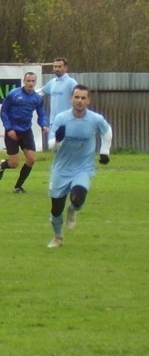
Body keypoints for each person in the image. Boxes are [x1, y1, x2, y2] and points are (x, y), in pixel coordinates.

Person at [46, 85, 112, 248]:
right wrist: (59, 140)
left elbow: (107, 131)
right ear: (71, 99)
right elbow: (50, 146)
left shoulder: (95, 119)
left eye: (83, 98)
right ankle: (58, 237)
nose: (80, 101)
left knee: (78, 196)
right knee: (56, 209)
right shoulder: (61, 118)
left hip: (83, 167)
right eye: (77, 97)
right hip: (61, 169)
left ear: (89, 100)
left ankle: (73, 209)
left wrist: (104, 151)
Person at [0, 72, 49, 193]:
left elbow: (41, 114)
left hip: (26, 131)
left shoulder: (37, 98)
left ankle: (18, 186)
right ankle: (3, 165)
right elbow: (4, 112)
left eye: (33, 81)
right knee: (14, 163)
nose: (30, 83)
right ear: (24, 81)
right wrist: (9, 129)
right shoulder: (14, 94)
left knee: (31, 159)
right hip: (12, 131)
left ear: (35, 82)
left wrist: (44, 125)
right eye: (28, 81)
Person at [37, 57, 78, 141]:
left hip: (67, 121)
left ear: (65, 68)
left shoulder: (71, 82)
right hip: (54, 122)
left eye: (59, 66)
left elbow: (78, 97)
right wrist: (25, 92)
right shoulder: (52, 82)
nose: (57, 69)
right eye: (55, 67)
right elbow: (41, 92)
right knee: (54, 147)